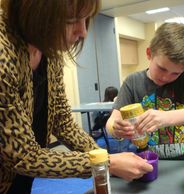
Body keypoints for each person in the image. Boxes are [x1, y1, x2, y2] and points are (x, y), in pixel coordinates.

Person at [0, 1, 153, 193]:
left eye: (86, 19)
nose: (83, 32)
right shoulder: (3, 55)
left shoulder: (48, 50)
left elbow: (62, 121)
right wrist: (108, 162)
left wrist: (102, 157)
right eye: (71, 20)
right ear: (34, 13)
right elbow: (23, 156)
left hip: (20, 178)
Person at [106, 23, 184, 159]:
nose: (165, 77)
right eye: (162, 68)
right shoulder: (133, 81)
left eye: (175, 73)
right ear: (149, 54)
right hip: (147, 161)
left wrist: (166, 117)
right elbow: (111, 123)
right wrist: (117, 130)